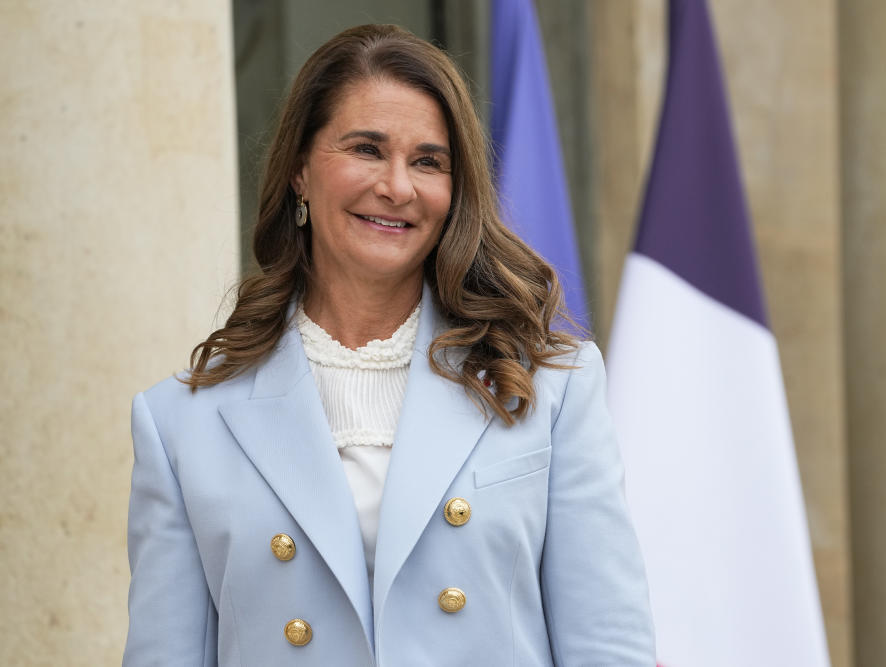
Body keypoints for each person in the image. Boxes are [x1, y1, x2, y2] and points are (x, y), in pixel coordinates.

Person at [123, 23, 655, 667]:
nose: (398, 187)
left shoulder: (552, 388)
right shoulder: (181, 422)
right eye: (367, 149)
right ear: (299, 169)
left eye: (428, 161)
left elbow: (608, 647)